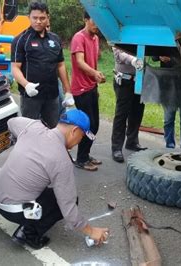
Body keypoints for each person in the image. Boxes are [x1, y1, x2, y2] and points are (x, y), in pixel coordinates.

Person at [0, 109, 109, 249]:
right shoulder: (61, 160)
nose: (79, 141)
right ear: (74, 131)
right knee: (69, 200)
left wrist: (20, 141)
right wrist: (91, 231)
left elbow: (11, 122)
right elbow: (69, 211)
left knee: (45, 184)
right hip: (12, 211)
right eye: (81, 137)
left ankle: (26, 223)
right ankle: (29, 233)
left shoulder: (33, 127)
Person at [11, 2, 74, 129]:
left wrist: (68, 91)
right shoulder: (21, 40)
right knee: (29, 130)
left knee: (52, 129)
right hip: (31, 96)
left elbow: (61, 65)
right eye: (35, 18)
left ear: (48, 18)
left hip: (52, 95)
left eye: (42, 18)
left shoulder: (55, 39)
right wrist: (26, 85)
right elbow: (15, 68)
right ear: (29, 17)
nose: (38, 21)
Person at [70, 11, 105, 171]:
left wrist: (96, 78)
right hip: (81, 89)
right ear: (85, 19)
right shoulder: (79, 37)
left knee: (95, 125)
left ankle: (86, 154)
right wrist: (95, 74)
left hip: (91, 87)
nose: (97, 25)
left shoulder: (96, 38)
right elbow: (79, 62)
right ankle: (81, 158)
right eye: (94, 21)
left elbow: (93, 62)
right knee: (88, 125)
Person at [111, 47, 147, 163]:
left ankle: (132, 141)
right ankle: (116, 148)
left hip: (139, 79)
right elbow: (119, 55)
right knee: (121, 115)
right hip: (124, 80)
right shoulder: (121, 32)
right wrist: (133, 60)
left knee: (137, 111)